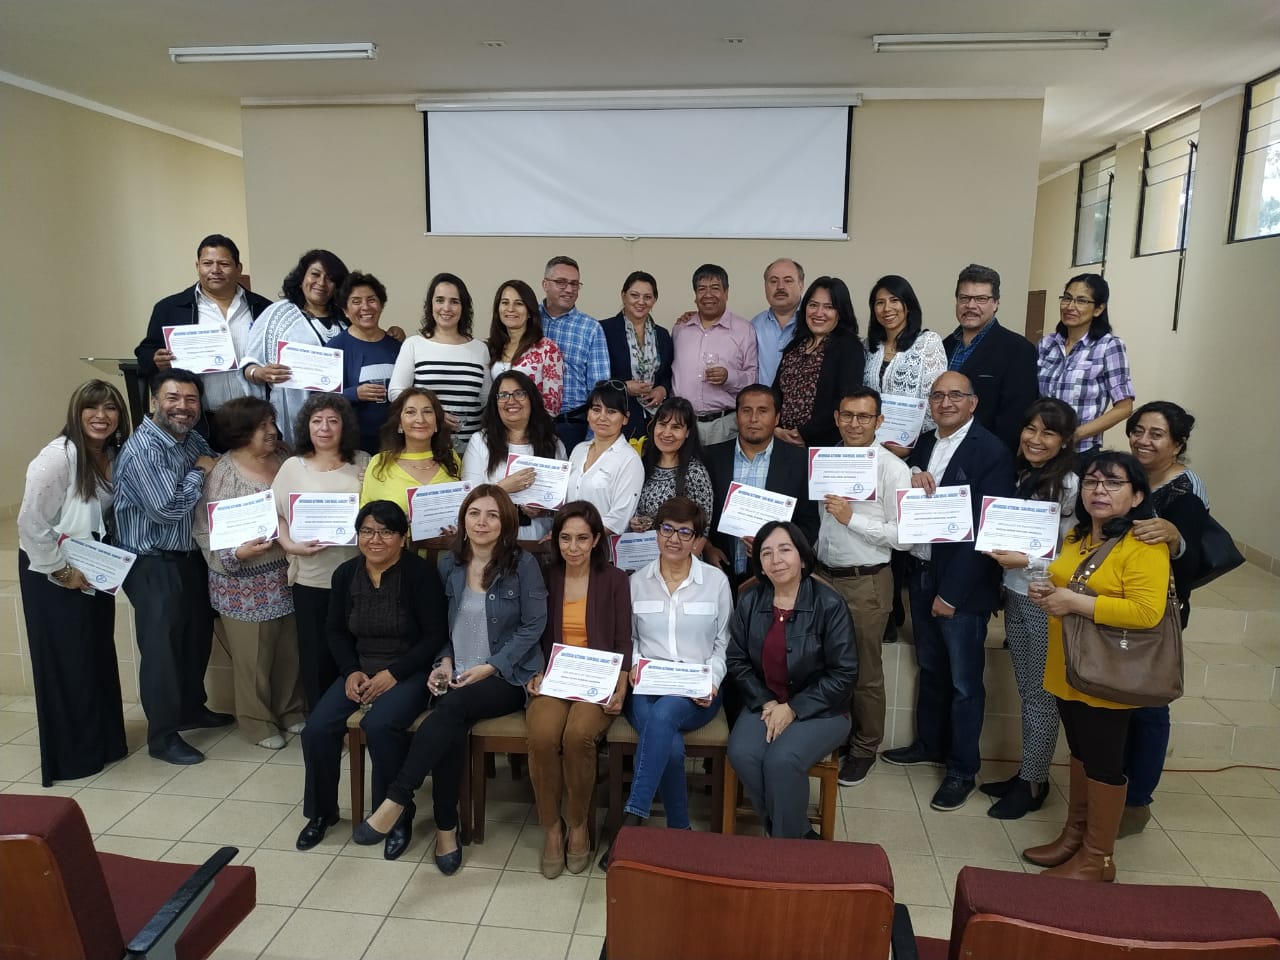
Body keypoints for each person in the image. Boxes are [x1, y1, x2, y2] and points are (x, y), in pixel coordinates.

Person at [352, 486, 546, 875]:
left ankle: (397, 799)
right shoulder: (450, 564)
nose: (482, 522)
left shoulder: (523, 564)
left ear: (506, 522)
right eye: (474, 513)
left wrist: (490, 666)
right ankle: (446, 828)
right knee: (450, 724)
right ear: (463, 519)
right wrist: (443, 662)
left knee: (452, 706)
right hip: (456, 672)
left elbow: (533, 626)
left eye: (492, 515)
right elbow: (440, 625)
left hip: (506, 675)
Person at [1022, 452, 1170, 882]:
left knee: (1104, 762)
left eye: (1113, 483)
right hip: (1068, 666)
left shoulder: (1144, 544)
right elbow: (1069, 585)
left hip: (1107, 672)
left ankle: (1098, 858)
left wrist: (1073, 602)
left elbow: (1146, 613)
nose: (1099, 490)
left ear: (1137, 496)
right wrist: (1050, 594)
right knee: (1082, 753)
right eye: (1091, 482)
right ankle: (1075, 837)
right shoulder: (1078, 536)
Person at [881, 371, 1015, 811]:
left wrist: (953, 594)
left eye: (955, 395)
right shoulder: (923, 442)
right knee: (931, 668)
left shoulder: (991, 452)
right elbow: (911, 482)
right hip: (921, 571)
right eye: (937, 395)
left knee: (963, 683)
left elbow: (987, 530)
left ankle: (961, 770)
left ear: (973, 402)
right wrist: (914, 471)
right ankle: (929, 744)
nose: (945, 402)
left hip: (961, 585)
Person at [296, 500, 447, 858]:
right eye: (367, 531)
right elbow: (335, 631)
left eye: (386, 532)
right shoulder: (345, 574)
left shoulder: (420, 574)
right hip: (361, 667)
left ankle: (393, 815)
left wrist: (394, 674)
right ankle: (322, 812)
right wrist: (350, 671)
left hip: (409, 670)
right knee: (317, 729)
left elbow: (434, 636)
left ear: (403, 537)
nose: (375, 540)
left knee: (379, 726)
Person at [601, 497, 731, 869]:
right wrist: (636, 667)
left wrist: (712, 681)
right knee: (669, 744)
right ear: (657, 533)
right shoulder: (636, 582)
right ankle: (679, 830)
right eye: (667, 529)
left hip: (697, 690)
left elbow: (723, 643)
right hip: (648, 685)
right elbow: (630, 639)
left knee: (663, 717)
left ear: (698, 540)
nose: (674, 539)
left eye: (685, 532)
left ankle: (631, 821)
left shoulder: (716, 582)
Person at [17, 380, 131, 786]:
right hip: (52, 571)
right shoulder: (58, 457)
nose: (101, 416)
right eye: (92, 407)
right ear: (76, 412)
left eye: (110, 408)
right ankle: (74, 757)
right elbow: (30, 522)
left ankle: (104, 744)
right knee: (67, 663)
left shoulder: (111, 453)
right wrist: (62, 571)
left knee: (95, 656)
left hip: (92, 565)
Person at [114, 369, 230, 765]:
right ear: (153, 402)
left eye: (191, 399)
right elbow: (167, 509)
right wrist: (199, 471)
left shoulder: (190, 438)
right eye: (173, 397)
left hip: (187, 557)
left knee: (195, 637)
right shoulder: (144, 449)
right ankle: (162, 737)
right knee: (162, 650)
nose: (183, 406)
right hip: (152, 562)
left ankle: (190, 709)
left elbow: (215, 463)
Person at [979, 398, 1080, 818]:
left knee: (1040, 695)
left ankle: (1034, 783)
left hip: (1045, 599)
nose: (1036, 439)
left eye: (1048, 433)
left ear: (1065, 441)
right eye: (1031, 429)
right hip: (1017, 594)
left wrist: (1025, 560)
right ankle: (1027, 773)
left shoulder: (1069, 484)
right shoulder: (1024, 474)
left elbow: (1072, 553)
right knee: (1028, 690)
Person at [727, 522, 859, 838]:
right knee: (742, 753)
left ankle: (785, 848)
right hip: (766, 701)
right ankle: (798, 834)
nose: (777, 560)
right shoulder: (750, 601)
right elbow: (737, 660)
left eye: (785, 550)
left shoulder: (829, 604)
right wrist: (767, 701)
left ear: (802, 556)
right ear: (760, 564)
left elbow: (844, 674)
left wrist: (794, 708)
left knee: (782, 761)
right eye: (766, 553)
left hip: (823, 709)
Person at [1119, 401, 1210, 837]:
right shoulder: (1127, 476)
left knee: (1149, 708)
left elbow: (1194, 561)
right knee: (1117, 704)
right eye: (1138, 431)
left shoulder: (1186, 492)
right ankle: (1112, 790)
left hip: (1158, 613)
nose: (1143, 440)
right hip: (1115, 605)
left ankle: (1137, 801)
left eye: (1156, 434)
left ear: (1177, 443)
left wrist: (1176, 541)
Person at [526, 502, 631, 877]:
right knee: (542, 734)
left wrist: (621, 686)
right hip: (555, 677)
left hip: (598, 680)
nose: (573, 547)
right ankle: (552, 828)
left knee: (577, 736)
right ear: (555, 540)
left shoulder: (614, 579)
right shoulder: (546, 575)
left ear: (597, 540)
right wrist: (535, 671)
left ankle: (578, 824)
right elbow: (533, 630)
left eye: (582, 539)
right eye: (566, 538)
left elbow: (623, 639)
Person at [193, 397, 305, 748]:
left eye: (271, 422)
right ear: (240, 432)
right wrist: (236, 553)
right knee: (253, 660)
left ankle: (291, 710)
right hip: (242, 585)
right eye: (261, 426)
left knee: (289, 652)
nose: (271, 431)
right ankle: (257, 723)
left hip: (287, 576)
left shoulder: (284, 460)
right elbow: (204, 530)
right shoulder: (222, 473)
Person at [815, 388, 911, 787]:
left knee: (865, 672)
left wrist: (851, 518)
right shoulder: (825, 460)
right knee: (825, 664)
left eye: (864, 417)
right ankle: (834, 737)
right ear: (837, 418)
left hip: (866, 580)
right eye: (848, 415)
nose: (855, 424)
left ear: (879, 422)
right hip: (823, 576)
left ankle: (864, 748)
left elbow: (904, 536)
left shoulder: (893, 469)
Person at [272, 394, 370, 710]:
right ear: (307, 426)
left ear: (344, 426)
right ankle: (320, 721)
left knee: (356, 652)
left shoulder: (363, 462)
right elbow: (275, 514)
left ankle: (354, 719)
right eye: (317, 421)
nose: (324, 428)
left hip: (358, 574)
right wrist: (289, 545)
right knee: (316, 654)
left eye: (332, 421)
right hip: (311, 576)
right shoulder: (292, 466)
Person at [134, 234, 272, 447]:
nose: (215, 270)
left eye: (224, 264)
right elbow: (144, 352)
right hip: (200, 421)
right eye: (207, 263)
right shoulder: (170, 308)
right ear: (197, 266)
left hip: (255, 420)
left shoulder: (264, 309)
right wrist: (156, 360)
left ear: (238, 268)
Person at [704, 385, 819, 587]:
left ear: (777, 418)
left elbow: (808, 523)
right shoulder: (710, 457)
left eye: (763, 411)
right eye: (746, 411)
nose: (753, 419)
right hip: (718, 572)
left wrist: (776, 549)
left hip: (776, 577)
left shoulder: (800, 462)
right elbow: (696, 513)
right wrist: (707, 548)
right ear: (736, 416)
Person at [243, 249, 352, 446]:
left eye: (330, 278)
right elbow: (249, 363)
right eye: (315, 274)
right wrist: (260, 372)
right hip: (290, 412)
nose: (321, 283)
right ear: (302, 278)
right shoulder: (278, 314)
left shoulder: (346, 318)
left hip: (340, 415)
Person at [941, 264, 1038, 454]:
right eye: (964, 298)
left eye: (981, 299)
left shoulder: (1018, 350)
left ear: (995, 304)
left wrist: (993, 460)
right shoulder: (944, 346)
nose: (971, 306)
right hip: (942, 451)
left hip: (985, 457)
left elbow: (1014, 419)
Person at [1038, 273, 1135, 461]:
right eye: (1067, 298)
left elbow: (1124, 407)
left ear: (1098, 309)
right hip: (1042, 446)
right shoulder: (1047, 343)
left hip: (1080, 451)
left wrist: (1074, 436)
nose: (1070, 307)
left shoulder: (1108, 346)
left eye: (1081, 301)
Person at [462, 370, 567, 543]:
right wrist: (502, 489)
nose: (511, 401)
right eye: (503, 395)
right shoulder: (480, 441)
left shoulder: (553, 443)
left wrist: (544, 510)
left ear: (532, 399)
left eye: (519, 394)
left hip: (539, 539)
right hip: (492, 539)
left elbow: (565, 500)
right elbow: (469, 499)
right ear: (495, 403)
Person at [389, 272, 491, 449]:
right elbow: (395, 392)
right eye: (440, 300)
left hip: (471, 448)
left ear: (464, 307)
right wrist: (435, 414)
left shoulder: (480, 349)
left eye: (454, 301)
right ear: (430, 305)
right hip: (427, 446)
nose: (446, 307)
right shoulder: (414, 344)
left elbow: (485, 400)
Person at [670, 264, 759, 445]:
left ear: (726, 293)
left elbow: (754, 378)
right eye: (702, 289)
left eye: (715, 288)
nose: (708, 295)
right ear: (695, 295)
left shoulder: (744, 330)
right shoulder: (680, 328)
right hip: (683, 424)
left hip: (725, 424)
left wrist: (729, 377)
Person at [773, 276, 866, 448]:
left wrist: (803, 434)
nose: (818, 313)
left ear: (840, 312)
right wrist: (775, 428)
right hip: (783, 442)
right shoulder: (794, 345)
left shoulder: (849, 347)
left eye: (829, 307)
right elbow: (776, 393)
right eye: (813, 305)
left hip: (823, 446)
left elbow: (846, 401)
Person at [360, 388, 463, 543]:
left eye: (427, 412)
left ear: (436, 422)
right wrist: (395, 522)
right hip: (398, 554)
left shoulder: (452, 458)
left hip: (447, 554)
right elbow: (365, 520)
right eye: (410, 412)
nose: (420, 419)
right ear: (399, 423)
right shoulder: (380, 463)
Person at [863, 274, 947, 457]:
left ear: (908, 305)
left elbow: (935, 401)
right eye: (880, 303)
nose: (887, 308)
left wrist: (910, 446)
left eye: (894, 300)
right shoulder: (867, 347)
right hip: (871, 449)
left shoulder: (928, 342)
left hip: (915, 449)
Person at [540, 255, 611, 449]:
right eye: (561, 282)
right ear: (545, 284)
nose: (569, 289)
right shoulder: (528, 319)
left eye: (574, 284)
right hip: (529, 424)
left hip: (572, 425)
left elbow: (599, 389)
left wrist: (592, 439)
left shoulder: (590, 328)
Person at [328, 271, 401, 454]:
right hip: (351, 445)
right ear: (345, 310)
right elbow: (318, 397)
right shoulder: (335, 347)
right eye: (356, 301)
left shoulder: (397, 346)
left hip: (395, 442)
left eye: (371, 300)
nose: (365, 307)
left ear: (381, 305)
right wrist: (354, 393)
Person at [565, 380, 645, 538]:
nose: (602, 417)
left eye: (611, 411)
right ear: (588, 414)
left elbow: (618, 519)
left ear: (625, 418)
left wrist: (581, 538)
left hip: (602, 547)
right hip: (568, 544)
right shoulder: (578, 450)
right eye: (596, 409)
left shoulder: (629, 460)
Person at [599, 271, 673, 440]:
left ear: (654, 300)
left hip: (656, 419)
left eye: (647, 297)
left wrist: (662, 390)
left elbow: (669, 373)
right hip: (617, 417)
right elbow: (596, 379)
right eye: (634, 295)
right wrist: (623, 386)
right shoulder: (604, 330)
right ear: (623, 296)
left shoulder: (662, 334)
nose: (641, 302)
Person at [630, 397, 715, 534]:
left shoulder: (695, 472)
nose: (667, 433)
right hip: (639, 546)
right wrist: (635, 522)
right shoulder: (642, 464)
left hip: (678, 547)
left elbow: (703, 530)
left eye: (676, 427)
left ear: (687, 432)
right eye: (662, 424)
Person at [486, 279, 565, 416]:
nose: (511, 309)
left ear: (529, 311)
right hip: (497, 425)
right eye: (505, 303)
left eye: (519, 303)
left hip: (534, 427)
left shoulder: (547, 349)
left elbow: (552, 405)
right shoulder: (491, 347)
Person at [750, 258, 804, 388]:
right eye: (773, 281)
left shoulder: (815, 322)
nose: (780, 287)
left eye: (788, 280)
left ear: (801, 285)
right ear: (765, 287)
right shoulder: (754, 326)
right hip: (764, 399)